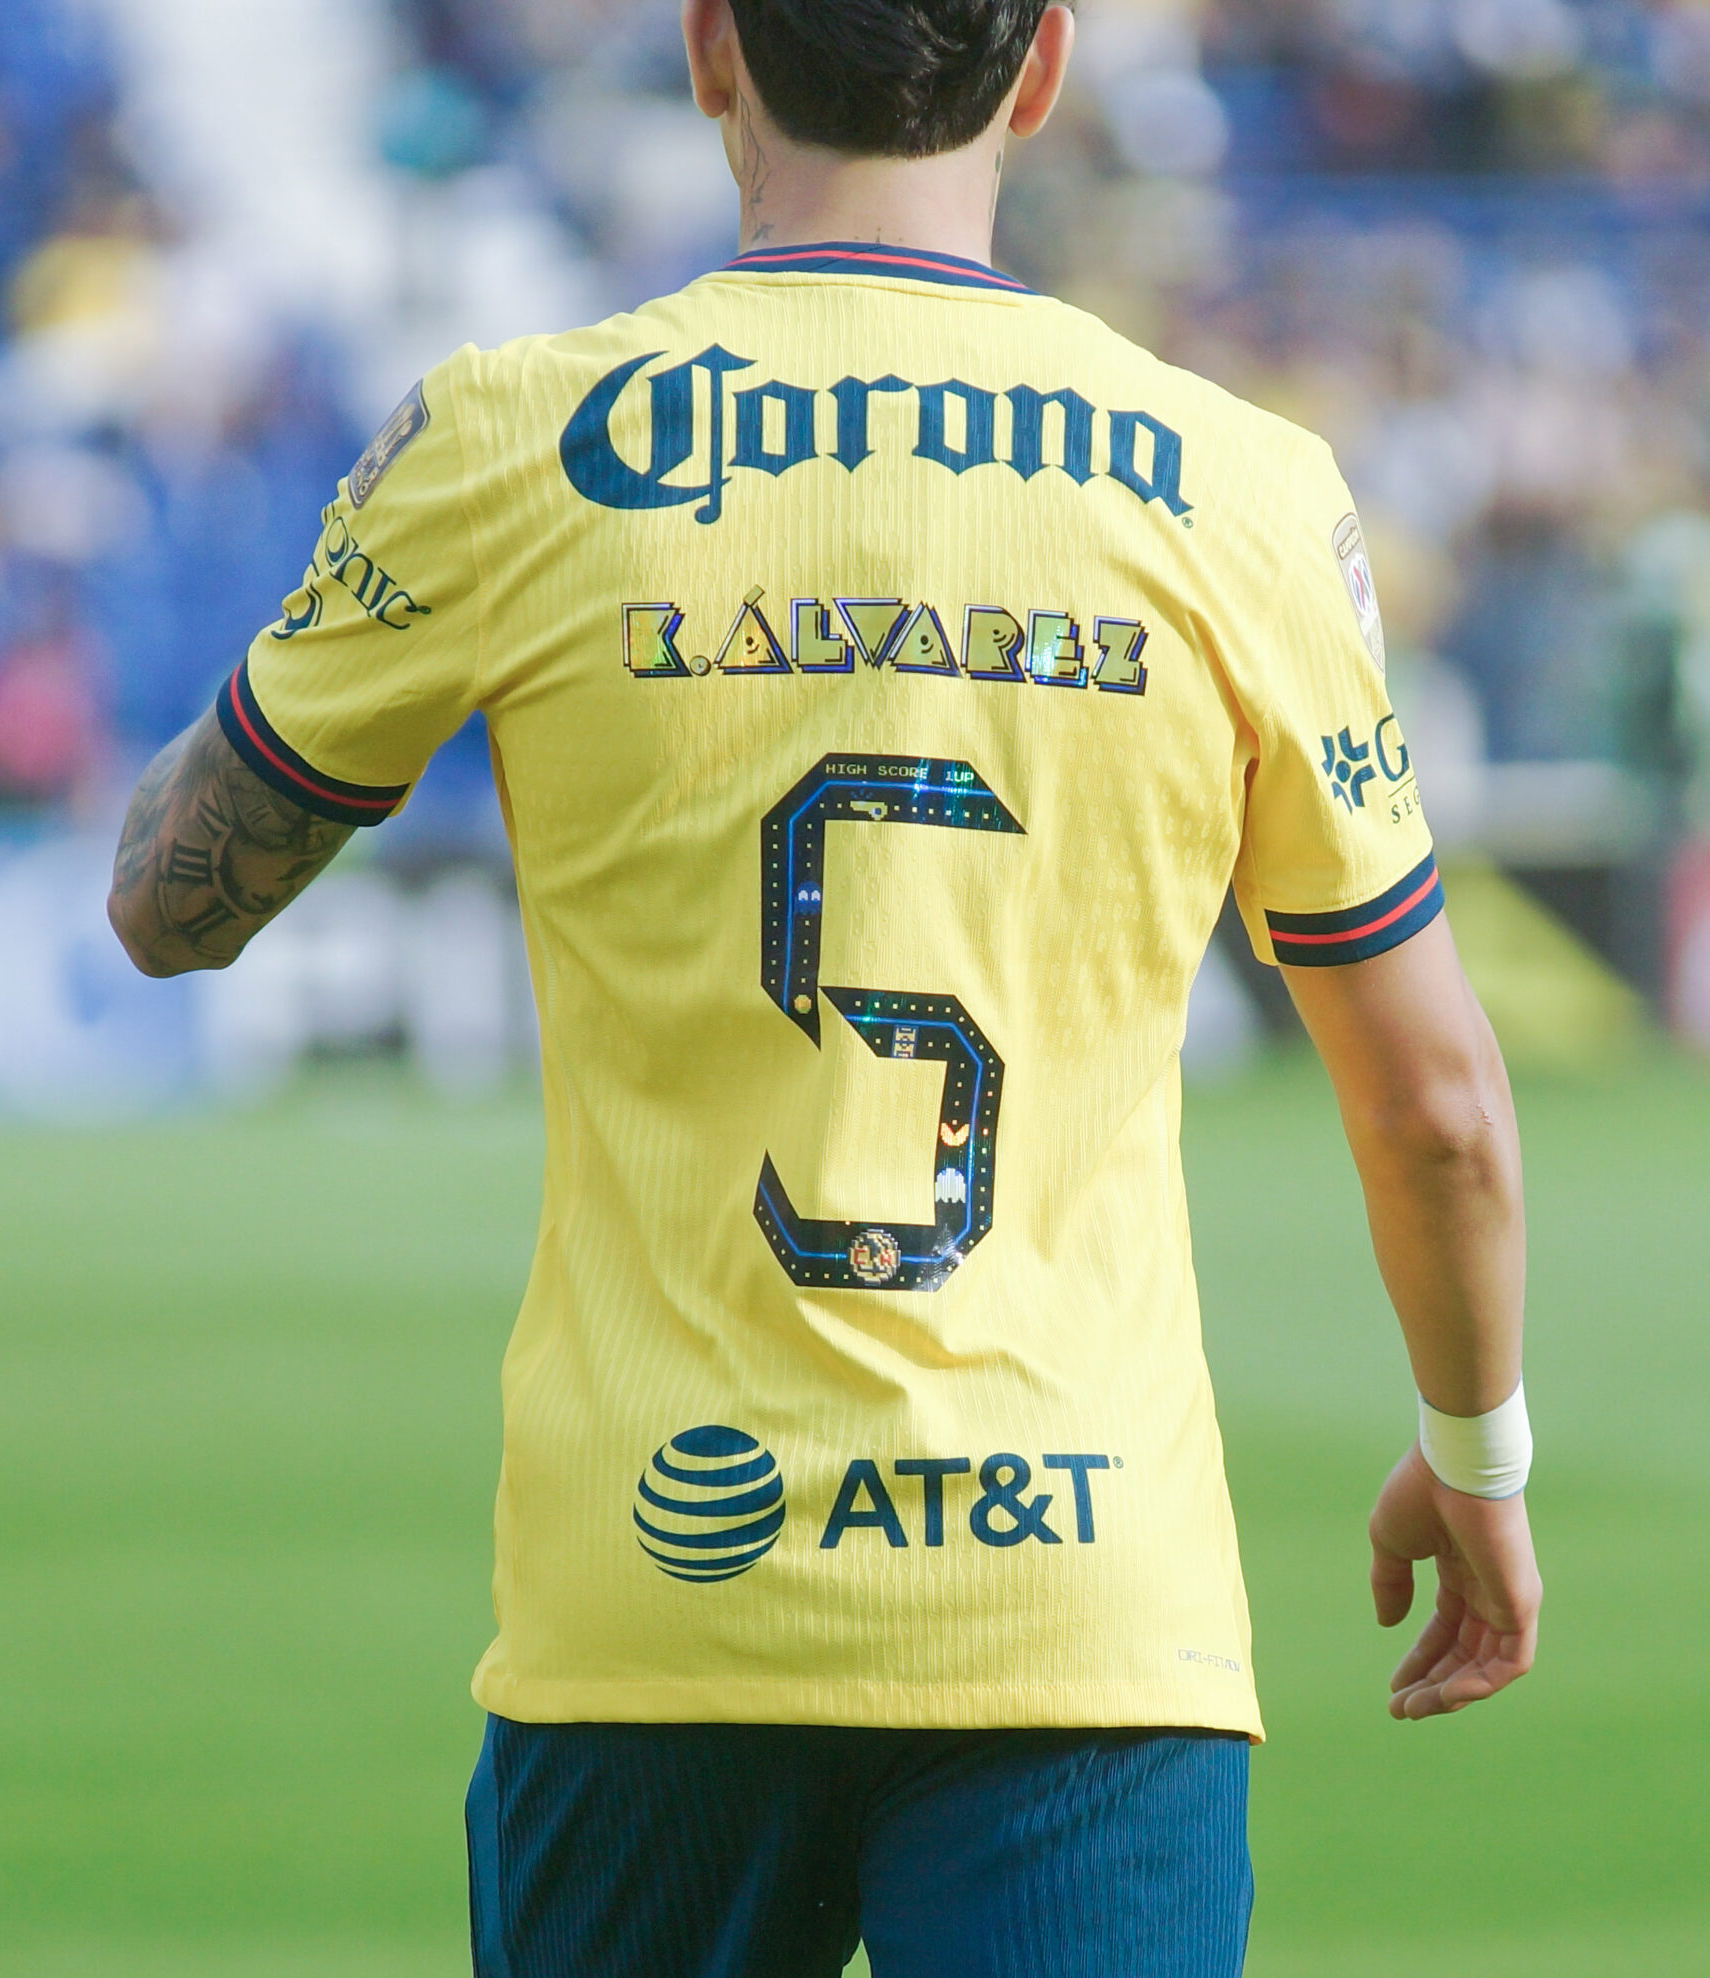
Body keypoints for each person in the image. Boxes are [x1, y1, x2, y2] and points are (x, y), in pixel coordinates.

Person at [108, 3, 1539, 1970]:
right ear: (1041, 66)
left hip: (656, 1580)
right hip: (1080, 1603)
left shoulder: (509, 438)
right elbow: (1438, 1108)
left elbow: (169, 905)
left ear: (712, 47)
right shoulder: (1244, 489)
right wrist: (1474, 1452)